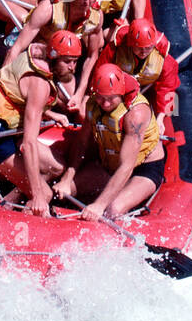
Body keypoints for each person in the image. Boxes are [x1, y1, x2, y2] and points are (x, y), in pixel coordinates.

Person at [0, 30, 82, 217]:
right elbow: (28, 144)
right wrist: (37, 195)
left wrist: (50, 114)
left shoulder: (37, 52)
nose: (72, 67)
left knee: (57, 167)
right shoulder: (40, 84)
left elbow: (19, 97)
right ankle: (10, 218)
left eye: (75, 61)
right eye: (67, 61)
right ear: (53, 56)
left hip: (4, 122)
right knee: (45, 194)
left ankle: (10, 201)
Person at [52, 63, 166, 220]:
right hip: (108, 165)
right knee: (63, 192)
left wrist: (99, 205)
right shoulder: (93, 104)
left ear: (121, 93)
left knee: (112, 209)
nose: (105, 104)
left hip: (142, 169)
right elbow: (81, 143)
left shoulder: (136, 114)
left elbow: (126, 167)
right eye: (100, 97)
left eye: (111, 99)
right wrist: (67, 178)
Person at [5, 0, 104, 108]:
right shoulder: (50, 7)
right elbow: (18, 47)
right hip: (35, 52)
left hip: (61, 59)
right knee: (33, 92)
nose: (87, 1)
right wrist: (4, 80)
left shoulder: (97, 16)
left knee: (67, 101)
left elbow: (92, 55)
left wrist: (80, 93)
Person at [101, 17, 180, 136]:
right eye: (139, 48)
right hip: (117, 89)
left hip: (143, 91)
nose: (143, 52)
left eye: (148, 48)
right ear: (131, 44)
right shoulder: (115, 49)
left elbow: (167, 88)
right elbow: (102, 70)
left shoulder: (165, 60)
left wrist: (160, 118)